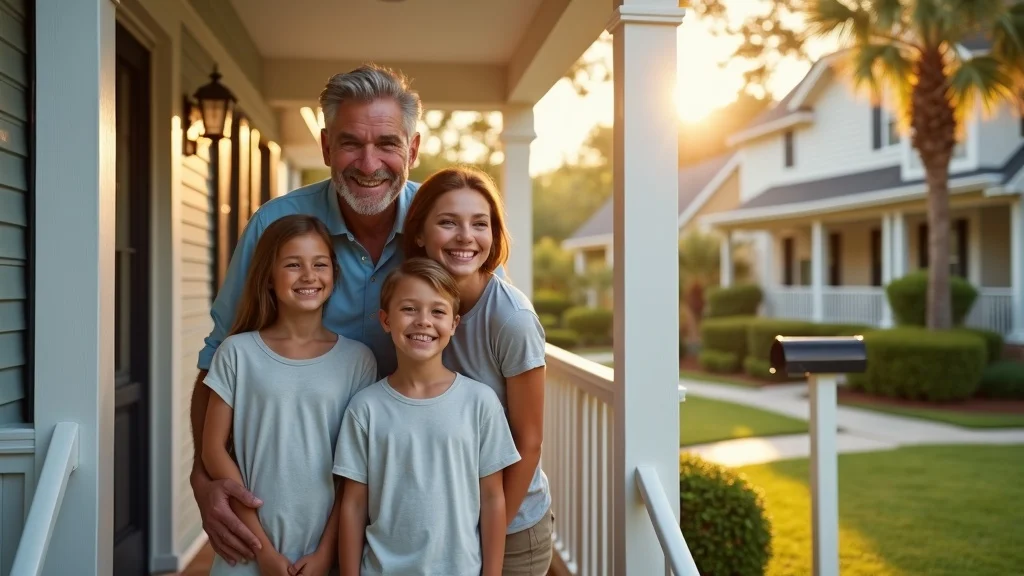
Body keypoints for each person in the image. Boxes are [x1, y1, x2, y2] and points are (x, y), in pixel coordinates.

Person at [189, 64, 424, 565]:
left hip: (413, 487)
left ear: (414, 149)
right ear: (324, 147)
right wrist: (202, 476)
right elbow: (218, 356)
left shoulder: (444, 225)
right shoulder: (276, 224)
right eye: (349, 143)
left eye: (387, 143)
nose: (369, 162)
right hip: (289, 504)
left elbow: (489, 330)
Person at [202, 214, 378, 575]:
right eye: (293, 264)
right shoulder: (237, 353)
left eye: (320, 264)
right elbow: (213, 450)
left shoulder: (357, 360)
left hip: (323, 554)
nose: (309, 275)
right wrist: (261, 548)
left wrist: (328, 551)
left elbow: (355, 472)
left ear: (334, 275)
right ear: (269, 276)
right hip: (247, 549)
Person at [402, 166, 553, 574]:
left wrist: (487, 534)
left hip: (508, 531)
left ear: (494, 235)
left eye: (480, 223)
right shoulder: (413, 307)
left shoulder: (511, 320)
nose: (466, 236)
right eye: (448, 222)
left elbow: (529, 441)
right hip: (441, 525)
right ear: (419, 233)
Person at [334, 258, 521, 576]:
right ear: (385, 319)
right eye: (409, 309)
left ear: (454, 323)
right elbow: (353, 505)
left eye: (437, 311)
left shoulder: (479, 403)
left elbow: (492, 499)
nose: (423, 321)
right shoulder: (364, 408)